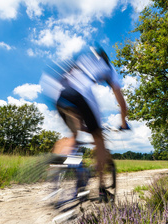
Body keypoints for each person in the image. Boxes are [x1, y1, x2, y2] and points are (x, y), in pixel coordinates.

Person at [43, 44, 129, 201]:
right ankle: (102, 189)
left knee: (74, 134)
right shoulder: (109, 67)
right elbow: (122, 102)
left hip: (61, 94)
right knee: (99, 139)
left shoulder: (82, 59)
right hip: (82, 94)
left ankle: (62, 169)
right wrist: (123, 123)